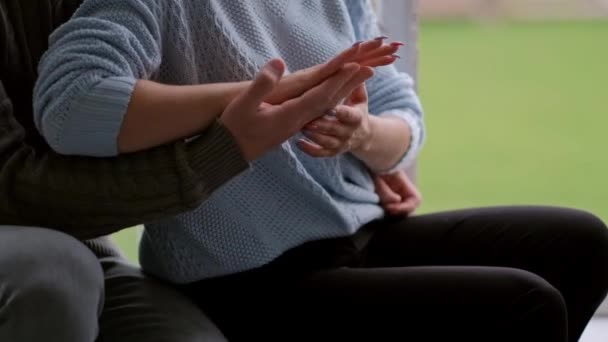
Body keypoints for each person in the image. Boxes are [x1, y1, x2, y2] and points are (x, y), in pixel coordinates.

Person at [34, 0, 608, 341]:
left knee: (582, 241)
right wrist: (274, 98)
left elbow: (401, 120)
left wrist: (362, 135)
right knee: (526, 306)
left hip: (354, 234)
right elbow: (70, 105)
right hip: (243, 278)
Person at [0, 1, 396, 341]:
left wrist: (364, 142)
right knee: (57, 272)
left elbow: (393, 103)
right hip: (31, 229)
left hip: (82, 238)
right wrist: (231, 141)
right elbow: (25, 172)